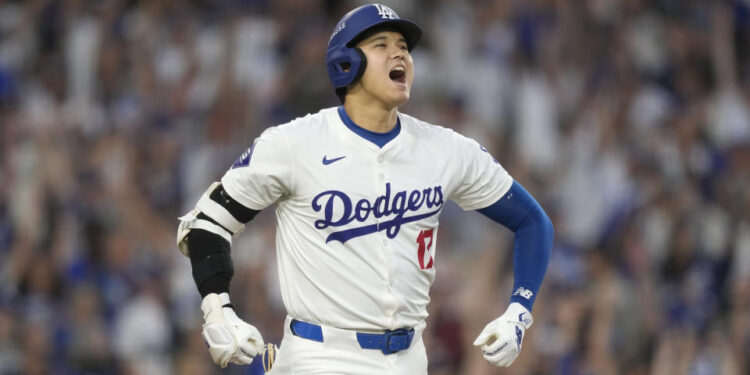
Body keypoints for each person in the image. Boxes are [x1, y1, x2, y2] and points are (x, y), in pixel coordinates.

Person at [176, 4, 553, 374]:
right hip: (320, 355)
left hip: (409, 357)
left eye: (404, 47)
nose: (399, 53)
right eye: (382, 45)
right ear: (346, 64)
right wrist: (217, 306)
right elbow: (208, 223)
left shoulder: (446, 150)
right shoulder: (294, 144)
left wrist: (519, 312)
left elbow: (533, 221)